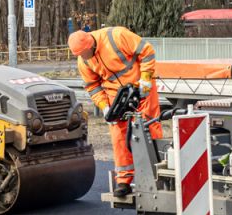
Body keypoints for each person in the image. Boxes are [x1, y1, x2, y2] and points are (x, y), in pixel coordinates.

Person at [69, 27, 163, 198]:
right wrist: (105, 106)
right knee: (119, 136)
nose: (83, 57)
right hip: (116, 96)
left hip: (141, 88)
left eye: (84, 53)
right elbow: (93, 86)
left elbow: (147, 50)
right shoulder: (84, 61)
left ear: (90, 44)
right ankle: (124, 181)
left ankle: (158, 172)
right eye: (80, 55)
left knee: (150, 127)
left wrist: (146, 79)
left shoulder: (117, 36)